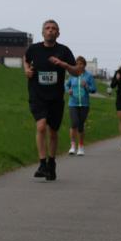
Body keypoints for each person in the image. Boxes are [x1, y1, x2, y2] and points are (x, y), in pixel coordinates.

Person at [23, 20, 79, 180]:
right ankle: (42, 163)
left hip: (55, 97)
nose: (50, 31)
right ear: (42, 32)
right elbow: (25, 58)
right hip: (37, 95)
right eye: (47, 28)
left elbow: (76, 71)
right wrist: (27, 70)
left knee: (53, 132)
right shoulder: (34, 49)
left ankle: (51, 163)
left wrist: (63, 64)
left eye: (54, 29)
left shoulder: (64, 51)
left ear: (58, 33)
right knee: (41, 127)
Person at [64, 55, 97, 156]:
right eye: (77, 64)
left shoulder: (89, 76)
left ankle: (81, 146)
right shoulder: (72, 75)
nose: (79, 66)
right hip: (73, 103)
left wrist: (87, 86)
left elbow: (94, 89)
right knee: (74, 123)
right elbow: (66, 84)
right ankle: (73, 146)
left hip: (84, 104)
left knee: (81, 125)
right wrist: (68, 90)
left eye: (81, 64)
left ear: (84, 65)